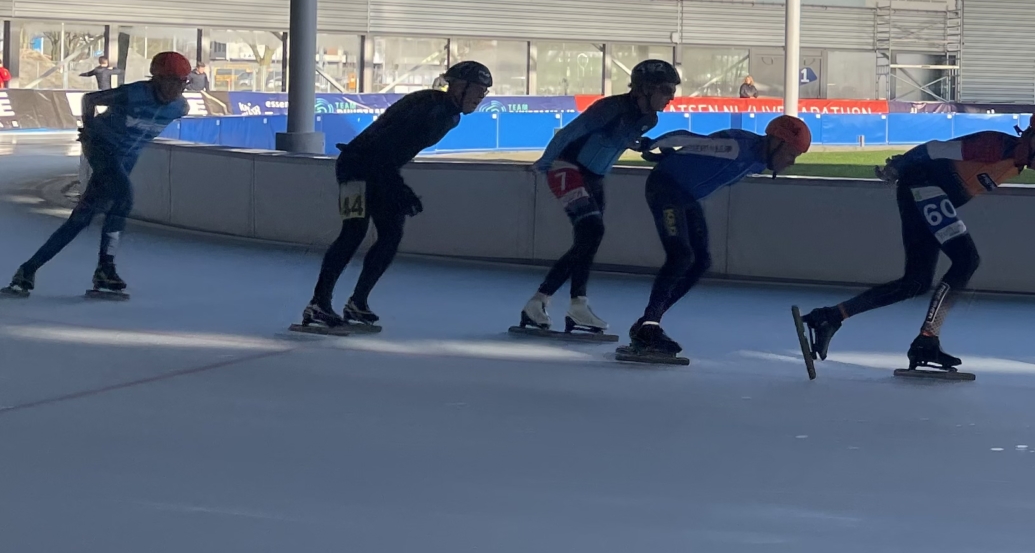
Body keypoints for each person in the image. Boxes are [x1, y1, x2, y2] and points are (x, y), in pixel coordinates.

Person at [795, 112, 1035, 375]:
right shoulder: (995, 145)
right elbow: (934, 149)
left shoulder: (1015, 162)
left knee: (916, 281)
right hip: (922, 185)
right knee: (966, 259)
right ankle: (927, 339)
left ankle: (830, 316)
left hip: (923, 190)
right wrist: (898, 166)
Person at [298, 61, 494, 334]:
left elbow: (387, 154)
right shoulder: (434, 110)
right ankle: (319, 303)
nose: (479, 98)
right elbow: (383, 151)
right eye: (477, 91)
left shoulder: (446, 111)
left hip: (376, 167)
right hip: (356, 166)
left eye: (484, 94)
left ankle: (357, 302)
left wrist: (398, 188)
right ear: (459, 86)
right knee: (354, 231)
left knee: (391, 234)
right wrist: (401, 189)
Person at [610, 115, 813, 365]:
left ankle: (647, 324)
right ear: (775, 142)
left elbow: (696, 156)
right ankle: (649, 326)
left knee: (701, 261)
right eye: (791, 154)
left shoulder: (761, 160)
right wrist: (650, 144)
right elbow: (691, 139)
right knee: (681, 255)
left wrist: (676, 157)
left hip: (685, 195)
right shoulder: (736, 146)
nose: (791, 162)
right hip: (665, 187)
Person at [515, 59, 681, 338]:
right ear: (645, 88)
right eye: (666, 90)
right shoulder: (610, 107)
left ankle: (541, 302)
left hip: (594, 178)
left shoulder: (649, 119)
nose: (671, 97)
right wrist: (544, 162)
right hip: (567, 167)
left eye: (673, 90)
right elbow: (571, 132)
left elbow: (622, 138)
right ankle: (574, 304)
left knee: (588, 239)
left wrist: (650, 150)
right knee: (592, 232)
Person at [6, 51, 193, 298]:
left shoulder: (180, 108)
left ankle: (28, 270)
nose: (177, 89)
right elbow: (90, 99)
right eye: (172, 81)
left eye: (182, 82)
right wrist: (88, 128)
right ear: (156, 78)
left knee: (82, 218)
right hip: (102, 147)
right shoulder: (133, 93)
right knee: (124, 197)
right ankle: (106, 268)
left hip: (126, 157)